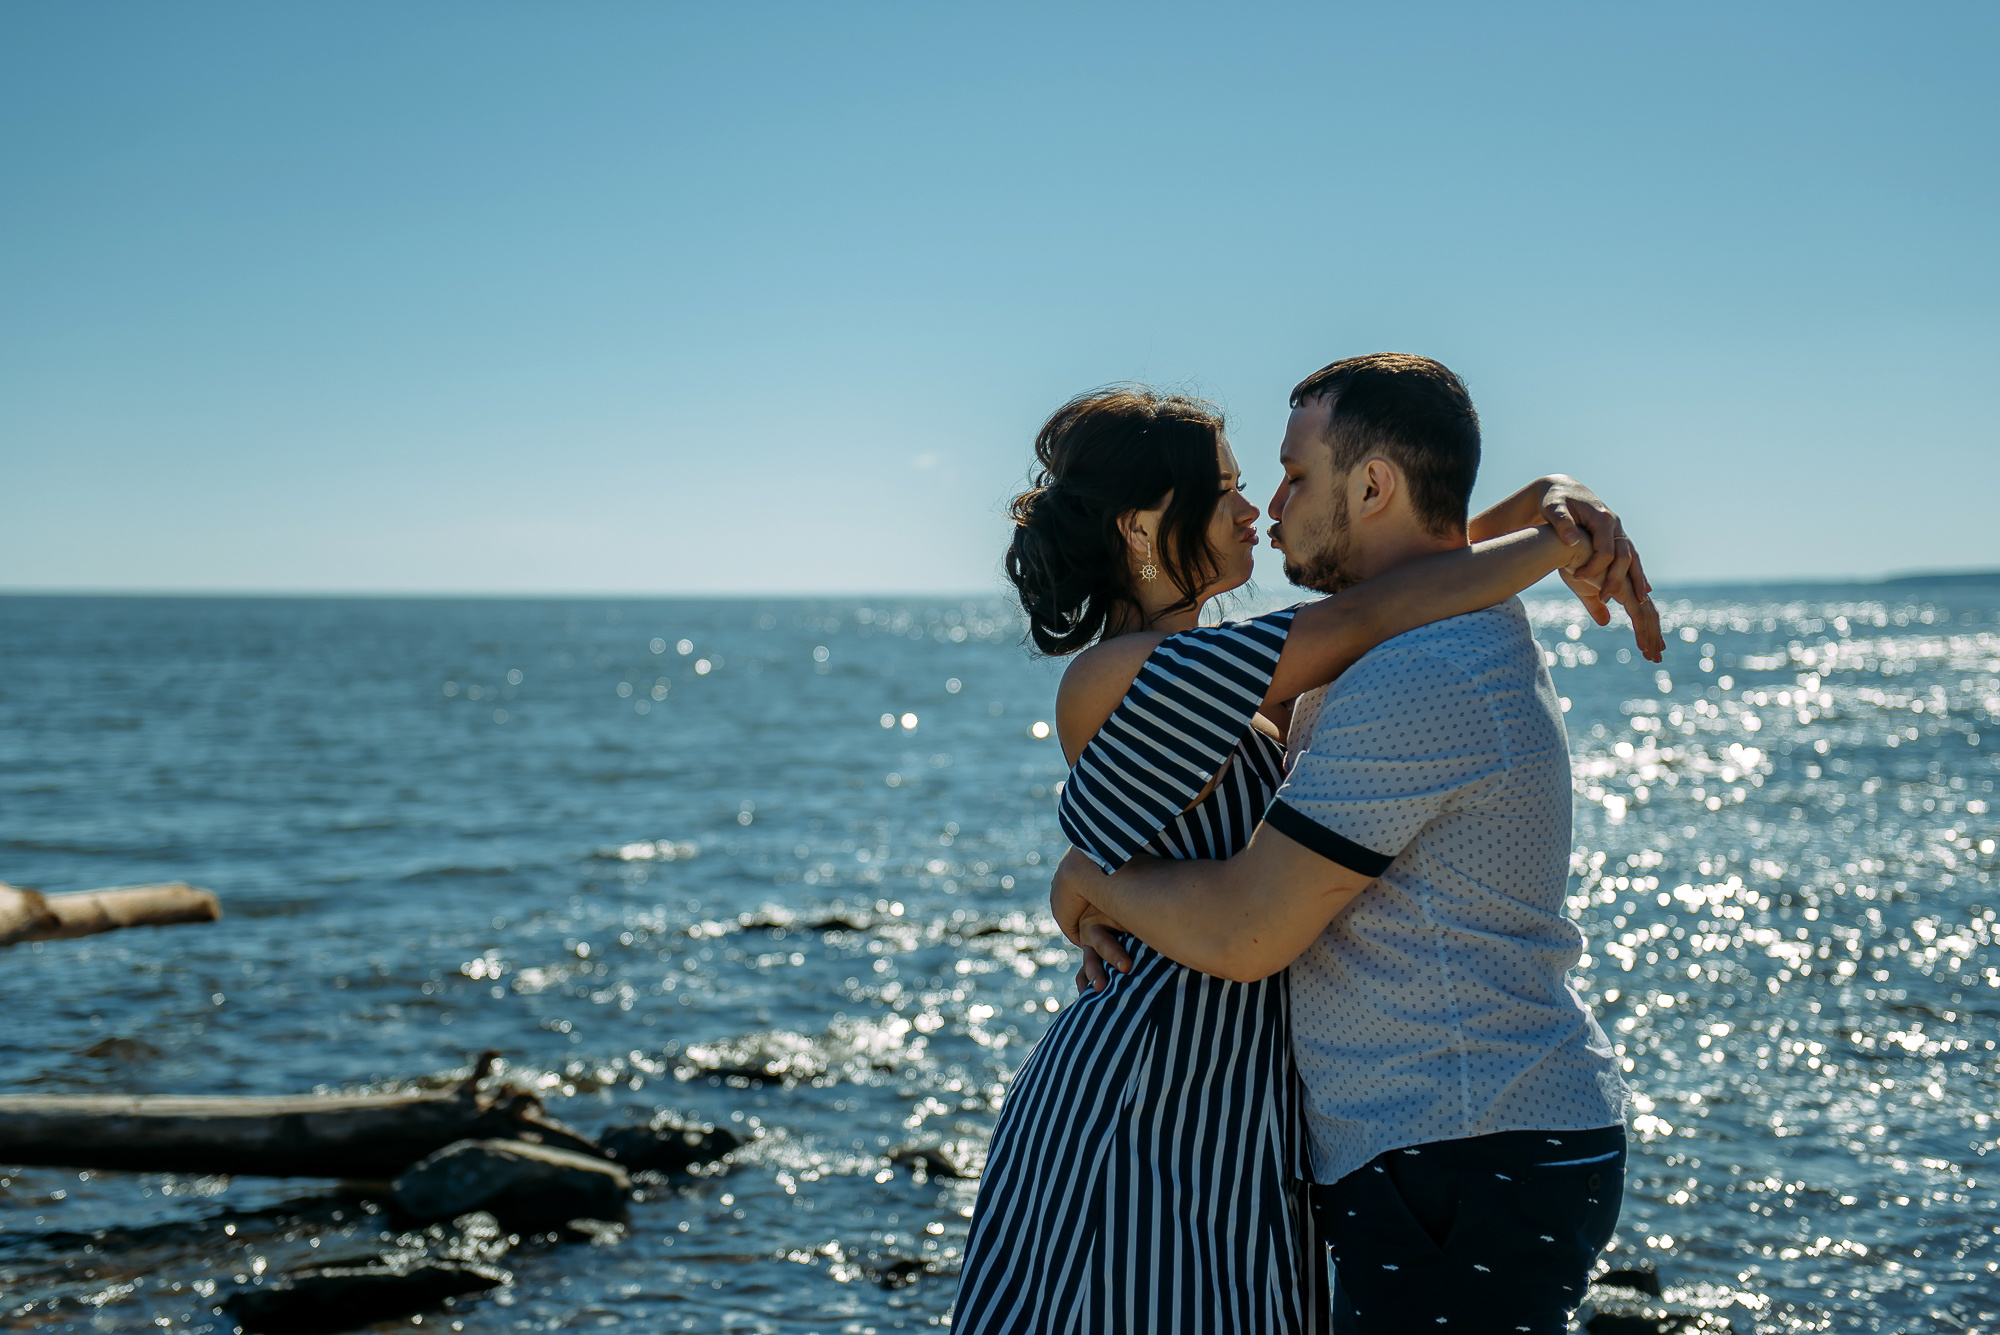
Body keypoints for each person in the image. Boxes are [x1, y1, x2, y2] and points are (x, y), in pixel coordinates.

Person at [953, 377, 1657, 1334]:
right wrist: (1551, 537)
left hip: (1242, 1102)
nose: (1257, 510)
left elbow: (1401, 579)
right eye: (1231, 489)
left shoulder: (1250, 676)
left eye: (1273, 479)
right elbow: (1372, 612)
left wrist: (1551, 498)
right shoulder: (1121, 676)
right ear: (1139, 526)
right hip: (1151, 1086)